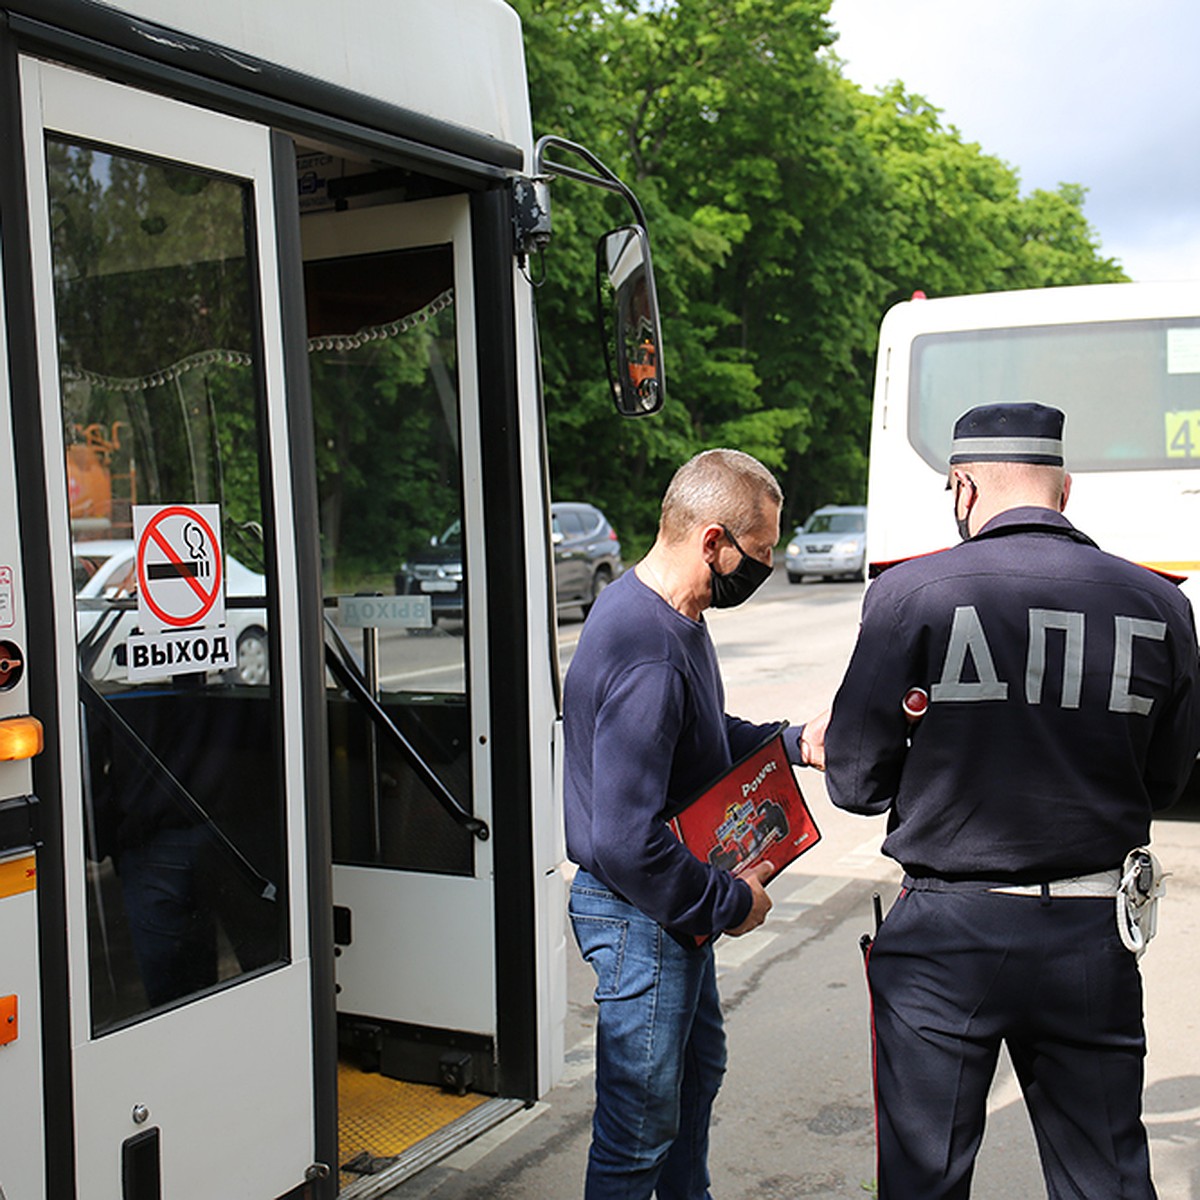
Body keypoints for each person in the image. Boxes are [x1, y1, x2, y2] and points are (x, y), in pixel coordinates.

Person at [824, 402, 1200, 1199]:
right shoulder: (1162, 605)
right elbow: (1166, 782)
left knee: (924, 1180)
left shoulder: (910, 594)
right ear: (1063, 489)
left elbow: (854, 783)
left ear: (963, 486)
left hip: (946, 937)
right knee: (1105, 1177)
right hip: (1091, 934)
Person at [564, 447, 819, 1200]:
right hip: (646, 916)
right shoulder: (652, 653)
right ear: (712, 541)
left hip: (666, 914)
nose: (763, 572)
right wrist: (732, 903)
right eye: (758, 555)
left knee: (694, 1075)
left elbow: (701, 733)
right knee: (638, 1129)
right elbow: (625, 842)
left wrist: (794, 741)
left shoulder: (658, 611)